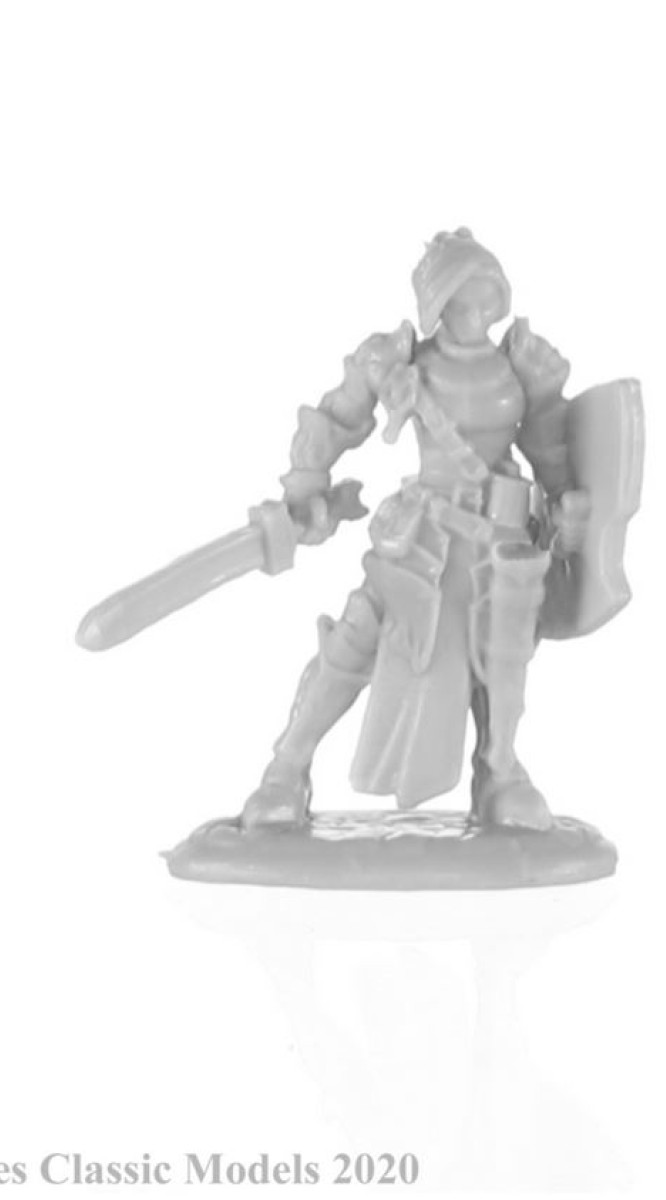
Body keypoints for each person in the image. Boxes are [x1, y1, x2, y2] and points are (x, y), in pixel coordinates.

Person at [242, 228, 591, 832]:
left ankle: (500, 772)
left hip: (500, 538)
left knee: (502, 659)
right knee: (356, 637)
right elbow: (336, 417)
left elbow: (547, 442)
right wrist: (306, 488)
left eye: (486, 296)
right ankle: (287, 767)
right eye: (461, 298)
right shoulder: (398, 361)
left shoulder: (519, 364)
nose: (475, 312)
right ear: (437, 301)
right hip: (422, 535)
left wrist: (567, 502)